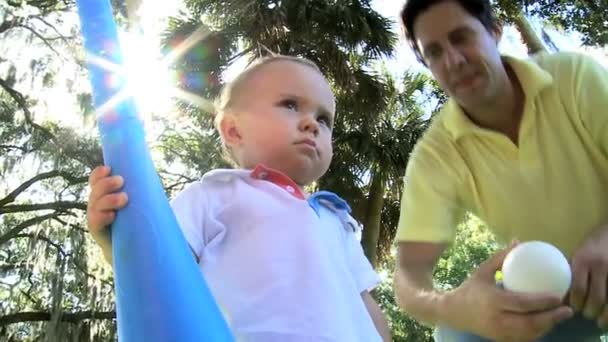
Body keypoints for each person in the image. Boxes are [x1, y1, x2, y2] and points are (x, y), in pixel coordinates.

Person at [86, 55, 391, 342]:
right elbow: (159, 263)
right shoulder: (215, 194)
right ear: (233, 130)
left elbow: (365, 303)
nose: (312, 123)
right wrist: (115, 239)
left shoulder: (335, 219)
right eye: (290, 104)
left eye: (323, 119)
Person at [393, 0, 608, 341]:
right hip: (550, 300)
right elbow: (408, 277)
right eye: (434, 52)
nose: (454, 60)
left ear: (494, 32)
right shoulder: (435, 156)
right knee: (457, 335)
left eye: (461, 37)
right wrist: (458, 306)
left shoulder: (575, 76)